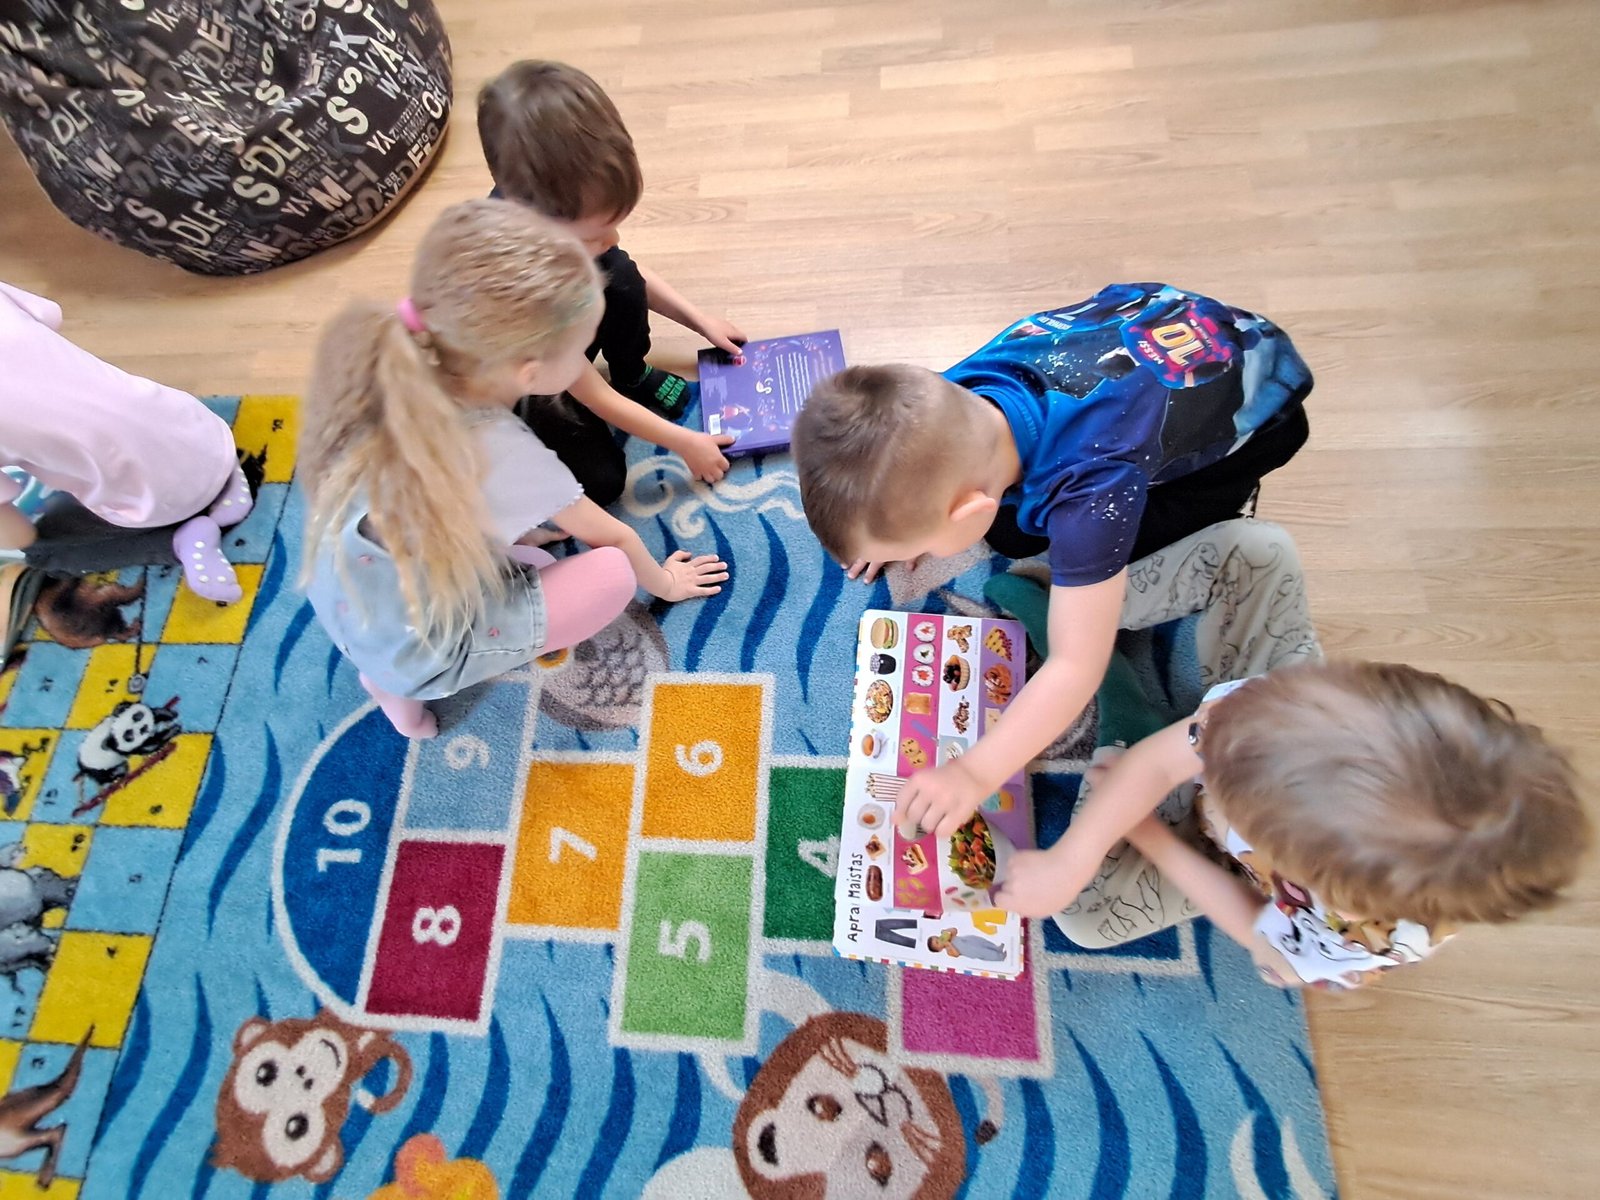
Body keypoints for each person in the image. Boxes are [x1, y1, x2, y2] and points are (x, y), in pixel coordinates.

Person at [791, 283, 1312, 841]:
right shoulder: (950, 396)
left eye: (906, 552)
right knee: (1015, 532)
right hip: (1156, 329)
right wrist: (901, 524)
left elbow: (1075, 666)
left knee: (1092, 559)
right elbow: (906, 464)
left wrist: (973, 772)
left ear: (970, 509)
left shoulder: (1090, 494)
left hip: (1257, 413)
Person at [298, 200, 728, 740]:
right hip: (419, 652)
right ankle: (401, 686)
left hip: (348, 600)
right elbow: (613, 537)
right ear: (530, 371)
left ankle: (393, 690)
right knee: (614, 574)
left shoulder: (394, 376)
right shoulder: (499, 448)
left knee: (532, 550)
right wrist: (667, 582)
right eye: (580, 351)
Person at [995, 658, 1591, 990]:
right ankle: (1099, 650)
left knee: (1085, 920)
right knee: (1260, 553)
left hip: (1233, 857)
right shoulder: (1283, 717)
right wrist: (1074, 855)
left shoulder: (1363, 933)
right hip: (1272, 733)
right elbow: (1166, 761)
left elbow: (1263, 935)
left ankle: (1124, 705)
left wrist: (1147, 834)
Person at [477, 60, 744, 505]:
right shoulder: (518, 288)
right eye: (594, 234)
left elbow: (629, 273)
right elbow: (592, 392)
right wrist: (684, 441)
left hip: (564, 337)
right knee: (602, 482)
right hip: (528, 381)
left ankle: (632, 373)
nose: (614, 238)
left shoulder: (550, 214)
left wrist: (700, 321)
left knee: (618, 271)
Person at [0, 281, 253, 603]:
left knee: (41, 553)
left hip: (153, 498)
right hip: (196, 427)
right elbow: (49, 315)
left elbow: (19, 535)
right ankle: (226, 478)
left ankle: (176, 542)